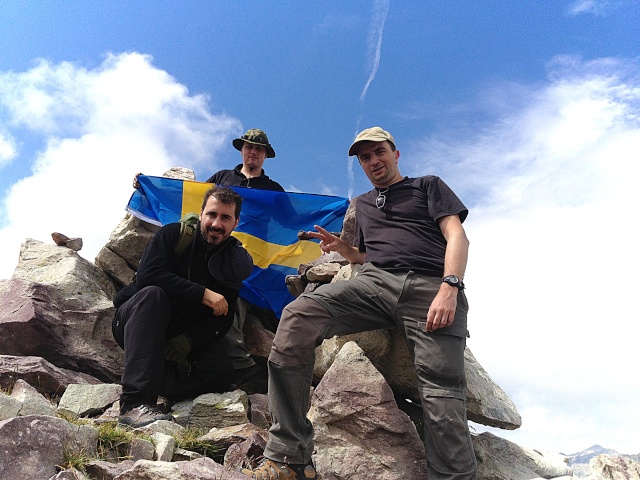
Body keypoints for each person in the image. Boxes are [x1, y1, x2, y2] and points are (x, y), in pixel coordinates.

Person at [242, 127, 477, 479]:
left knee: (441, 392)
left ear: (395, 154)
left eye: (379, 152)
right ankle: (289, 457)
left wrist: (450, 286)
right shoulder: (363, 204)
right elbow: (367, 257)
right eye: (365, 157)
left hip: (430, 285)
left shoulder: (428, 185)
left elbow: (456, 235)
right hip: (375, 283)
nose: (373, 161)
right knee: (296, 317)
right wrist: (346, 249)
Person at [133, 128, 283, 387]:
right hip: (213, 254)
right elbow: (194, 196)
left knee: (236, 304)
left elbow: (289, 217)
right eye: (249, 147)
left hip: (249, 261)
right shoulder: (221, 177)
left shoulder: (273, 189)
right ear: (242, 150)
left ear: (265, 155)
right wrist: (149, 186)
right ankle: (234, 364)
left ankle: (234, 363)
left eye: (259, 149)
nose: (253, 152)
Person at [112, 186, 254, 428]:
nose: (216, 223)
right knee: (153, 296)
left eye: (225, 217)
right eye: (212, 214)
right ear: (200, 214)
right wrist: (203, 294)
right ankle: (134, 404)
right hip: (136, 319)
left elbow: (222, 319)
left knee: (221, 371)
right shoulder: (172, 235)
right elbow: (148, 276)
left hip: (179, 334)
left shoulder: (233, 263)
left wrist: (188, 341)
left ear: (235, 223)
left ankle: (163, 389)